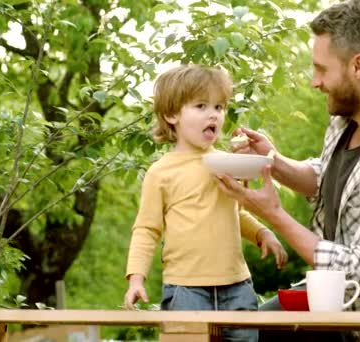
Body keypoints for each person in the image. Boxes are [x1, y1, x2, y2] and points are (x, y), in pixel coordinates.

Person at [217, 0, 360, 341]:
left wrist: (273, 213)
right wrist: (273, 161)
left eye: (322, 69)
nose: (315, 82)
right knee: (237, 333)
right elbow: (327, 179)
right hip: (339, 312)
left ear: (359, 66)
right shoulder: (347, 118)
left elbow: (352, 273)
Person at [123, 64, 288, 342]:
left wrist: (261, 233)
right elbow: (146, 230)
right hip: (186, 290)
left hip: (237, 285)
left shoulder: (225, 163)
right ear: (171, 114)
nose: (213, 114)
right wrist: (136, 278)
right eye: (201, 106)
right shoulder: (161, 172)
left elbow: (234, 211)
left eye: (220, 107)